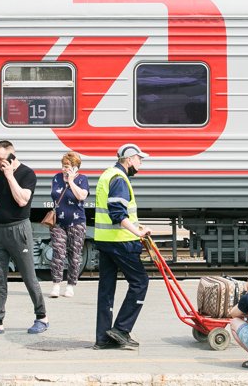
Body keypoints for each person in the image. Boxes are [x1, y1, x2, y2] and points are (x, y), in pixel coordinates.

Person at [0, 140, 48, 337]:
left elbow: (22, 200)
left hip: (19, 230)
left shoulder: (27, 174)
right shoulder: (0, 173)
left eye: (1, 159)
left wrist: (9, 176)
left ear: (11, 154)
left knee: (28, 276)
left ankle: (42, 317)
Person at [93, 144, 153, 350]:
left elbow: (119, 212)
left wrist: (137, 225)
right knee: (140, 282)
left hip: (105, 240)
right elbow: (117, 214)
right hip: (121, 241)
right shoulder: (119, 179)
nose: (140, 163)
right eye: (139, 159)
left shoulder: (107, 174)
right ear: (129, 159)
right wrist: (138, 233)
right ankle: (121, 329)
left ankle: (102, 338)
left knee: (106, 289)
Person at [49, 151, 90, 298]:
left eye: (67, 166)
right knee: (58, 253)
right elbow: (54, 196)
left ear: (75, 167)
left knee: (74, 255)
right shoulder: (56, 178)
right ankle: (56, 285)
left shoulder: (82, 179)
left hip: (77, 222)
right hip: (58, 223)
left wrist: (71, 181)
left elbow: (81, 196)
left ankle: (71, 285)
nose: (63, 169)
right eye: (63, 166)